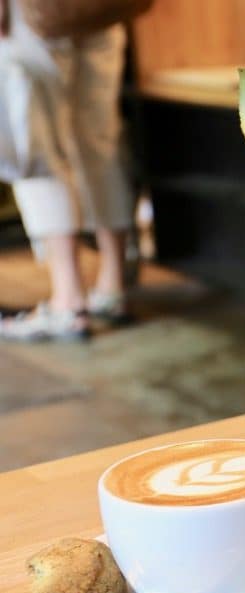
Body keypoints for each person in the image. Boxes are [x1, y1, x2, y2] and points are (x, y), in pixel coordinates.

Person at [0, 0, 135, 341]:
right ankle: (112, 287)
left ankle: (68, 302)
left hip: (31, 14)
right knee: (101, 141)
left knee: (40, 146)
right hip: (99, 10)